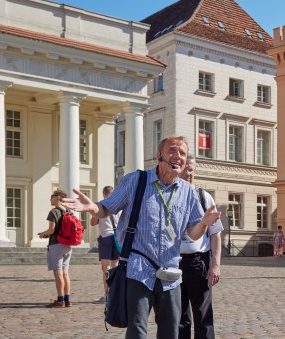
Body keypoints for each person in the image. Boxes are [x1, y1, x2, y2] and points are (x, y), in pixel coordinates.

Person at [62, 136, 221, 339]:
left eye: (182, 152)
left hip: (171, 273)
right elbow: (105, 208)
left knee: (170, 332)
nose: (178, 156)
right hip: (138, 269)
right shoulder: (136, 181)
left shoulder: (188, 192)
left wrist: (204, 223)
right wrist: (92, 207)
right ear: (159, 155)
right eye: (172, 150)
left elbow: (192, 233)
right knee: (137, 330)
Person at [178, 156, 223, 339]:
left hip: (198, 263)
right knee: (179, 317)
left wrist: (216, 264)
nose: (189, 173)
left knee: (203, 315)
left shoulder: (204, 197)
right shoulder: (169, 197)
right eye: (186, 169)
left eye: (192, 169)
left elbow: (215, 234)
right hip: (173, 263)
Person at [38, 189, 72, 308]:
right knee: (65, 273)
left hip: (56, 245)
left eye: (51, 196)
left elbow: (51, 230)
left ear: (57, 197)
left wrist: (43, 234)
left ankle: (60, 300)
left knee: (58, 273)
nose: (50, 199)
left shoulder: (54, 212)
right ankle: (67, 299)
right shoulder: (68, 211)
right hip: (67, 245)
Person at [91, 186, 121, 304]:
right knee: (115, 266)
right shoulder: (119, 204)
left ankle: (107, 295)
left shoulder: (101, 205)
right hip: (118, 237)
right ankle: (115, 295)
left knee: (106, 268)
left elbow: (93, 223)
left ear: (104, 194)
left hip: (106, 237)